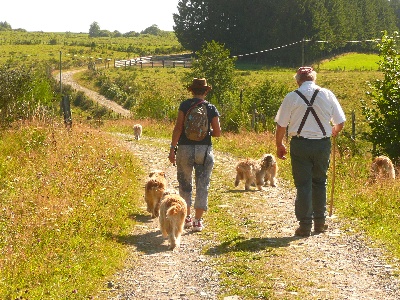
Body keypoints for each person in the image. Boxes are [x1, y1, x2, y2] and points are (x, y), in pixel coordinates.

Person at [274, 66, 346, 237]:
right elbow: (340, 122)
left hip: (300, 145)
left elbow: (281, 125)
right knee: (320, 181)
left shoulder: (291, 97)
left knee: (303, 184)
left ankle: (305, 225)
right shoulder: (327, 94)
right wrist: (334, 131)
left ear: (298, 80)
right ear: (314, 78)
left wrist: (280, 144)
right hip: (322, 144)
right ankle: (320, 223)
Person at [168, 78, 221, 232]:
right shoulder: (211, 108)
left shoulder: (184, 105)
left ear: (191, 91)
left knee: (185, 184)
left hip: (184, 148)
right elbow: (217, 133)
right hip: (204, 150)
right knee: (202, 184)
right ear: (205, 91)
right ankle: (198, 221)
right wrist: (206, 132)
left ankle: (187, 218)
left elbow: (178, 127)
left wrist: (172, 148)